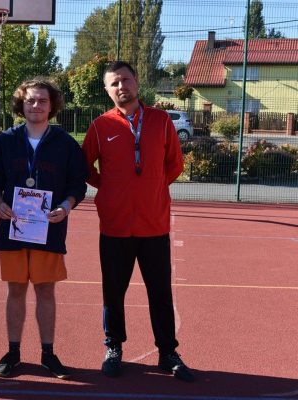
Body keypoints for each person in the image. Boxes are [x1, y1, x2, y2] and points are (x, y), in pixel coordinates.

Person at [81, 61, 193, 382]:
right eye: (114, 83)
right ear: (107, 90)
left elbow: (175, 164)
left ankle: (167, 352)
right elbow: (85, 166)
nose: (122, 87)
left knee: (160, 293)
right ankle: (113, 347)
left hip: (153, 225)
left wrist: (151, 188)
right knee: (113, 293)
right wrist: (109, 188)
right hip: (114, 226)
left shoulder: (160, 121)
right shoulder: (100, 126)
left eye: (126, 80)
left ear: (137, 81)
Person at [0, 78, 87, 379]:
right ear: (22, 103)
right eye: (30, 100)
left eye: (42, 100)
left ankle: (48, 354)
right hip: (13, 226)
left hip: (49, 228)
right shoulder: (6, 140)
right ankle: (13, 352)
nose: (36, 105)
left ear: (52, 105)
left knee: (45, 290)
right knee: (15, 289)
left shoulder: (65, 143)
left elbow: (77, 184)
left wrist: (65, 207)